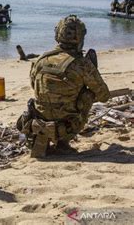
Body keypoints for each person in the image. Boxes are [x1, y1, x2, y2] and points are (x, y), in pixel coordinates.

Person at [17, 15, 110, 158]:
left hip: (39, 120)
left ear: (57, 34)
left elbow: (33, 85)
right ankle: (63, 143)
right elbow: (104, 95)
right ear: (80, 38)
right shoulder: (81, 63)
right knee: (88, 96)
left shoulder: (41, 59)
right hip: (67, 125)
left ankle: (42, 137)